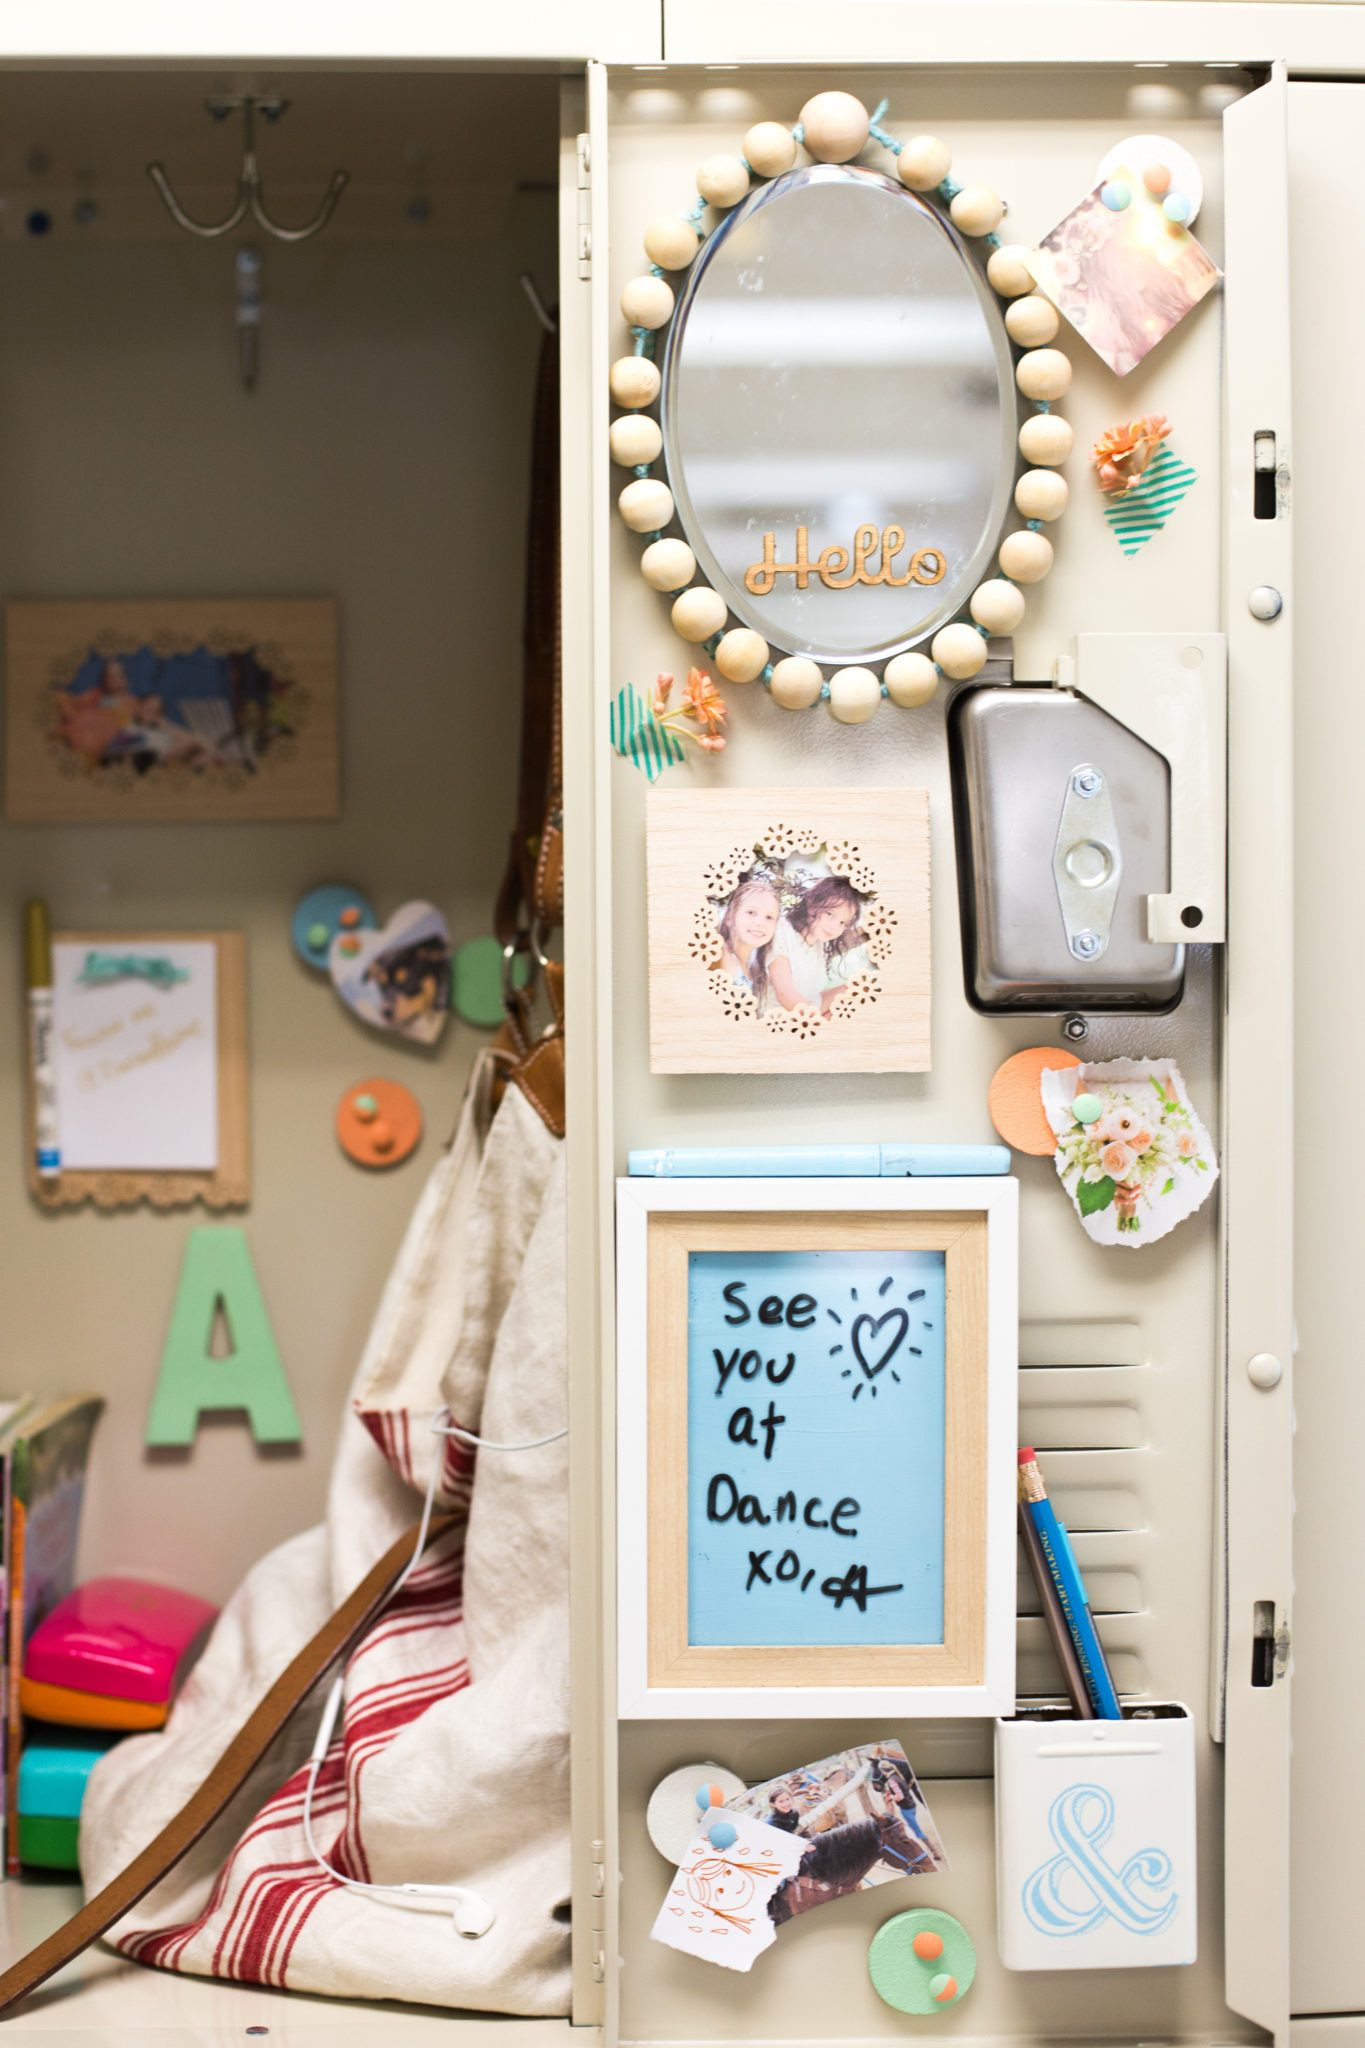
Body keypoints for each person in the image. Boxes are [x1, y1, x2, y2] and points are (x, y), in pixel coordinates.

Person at [766, 876, 866, 1016]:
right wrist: (819, 1024)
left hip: (805, 1012)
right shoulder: (782, 932)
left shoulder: (818, 945)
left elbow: (810, 997)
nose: (834, 927)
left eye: (843, 923)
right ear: (812, 903)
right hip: (776, 1018)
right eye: (830, 914)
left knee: (856, 990)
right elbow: (785, 996)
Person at [717, 876, 780, 1009]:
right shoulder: (720, 954)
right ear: (730, 917)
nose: (760, 923)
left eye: (769, 917)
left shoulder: (756, 971)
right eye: (751, 912)